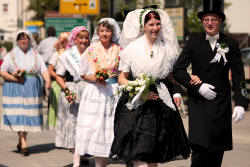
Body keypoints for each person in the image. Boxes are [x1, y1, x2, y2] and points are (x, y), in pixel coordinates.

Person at [110, 8, 193, 167]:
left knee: (155, 150)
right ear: (144, 27)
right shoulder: (131, 49)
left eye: (157, 24)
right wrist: (139, 90)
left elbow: (171, 77)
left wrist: (185, 83)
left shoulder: (168, 49)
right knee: (139, 150)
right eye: (151, 24)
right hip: (137, 101)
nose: (155, 28)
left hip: (159, 101)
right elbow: (121, 78)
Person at [172, 0, 249, 167]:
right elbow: (178, 70)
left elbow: (239, 77)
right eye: (206, 19)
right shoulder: (193, 42)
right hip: (198, 104)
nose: (209, 23)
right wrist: (197, 86)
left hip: (220, 105)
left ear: (220, 21)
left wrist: (242, 103)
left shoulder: (231, 44)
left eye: (213, 19)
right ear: (202, 21)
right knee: (199, 154)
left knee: (216, 155)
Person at [73, 18, 121, 167]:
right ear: (98, 33)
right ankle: (82, 159)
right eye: (102, 31)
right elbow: (82, 73)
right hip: (95, 92)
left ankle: (102, 164)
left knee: (107, 130)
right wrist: (95, 79)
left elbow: (123, 72)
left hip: (113, 92)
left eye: (107, 31)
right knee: (92, 127)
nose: (105, 34)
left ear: (112, 32)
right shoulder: (91, 49)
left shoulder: (119, 49)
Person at [0, 30, 51, 156]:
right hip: (14, 88)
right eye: (20, 39)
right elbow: (2, 71)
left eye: (25, 38)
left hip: (31, 89)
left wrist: (48, 81)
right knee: (18, 114)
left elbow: (44, 70)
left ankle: (22, 138)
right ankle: (23, 142)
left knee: (28, 115)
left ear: (29, 40)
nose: (23, 41)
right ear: (17, 41)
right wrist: (13, 78)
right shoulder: (10, 55)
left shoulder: (36, 55)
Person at [55, 26, 90, 152]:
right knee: (72, 121)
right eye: (81, 38)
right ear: (75, 39)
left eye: (86, 38)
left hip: (88, 90)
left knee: (86, 121)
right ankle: (75, 150)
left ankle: (85, 151)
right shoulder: (66, 56)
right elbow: (59, 76)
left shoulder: (92, 54)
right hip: (71, 89)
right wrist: (66, 90)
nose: (84, 41)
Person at [47, 32, 70, 130]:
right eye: (66, 41)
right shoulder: (57, 54)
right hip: (58, 84)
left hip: (70, 82)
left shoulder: (74, 54)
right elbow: (50, 69)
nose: (68, 43)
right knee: (59, 107)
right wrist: (58, 76)